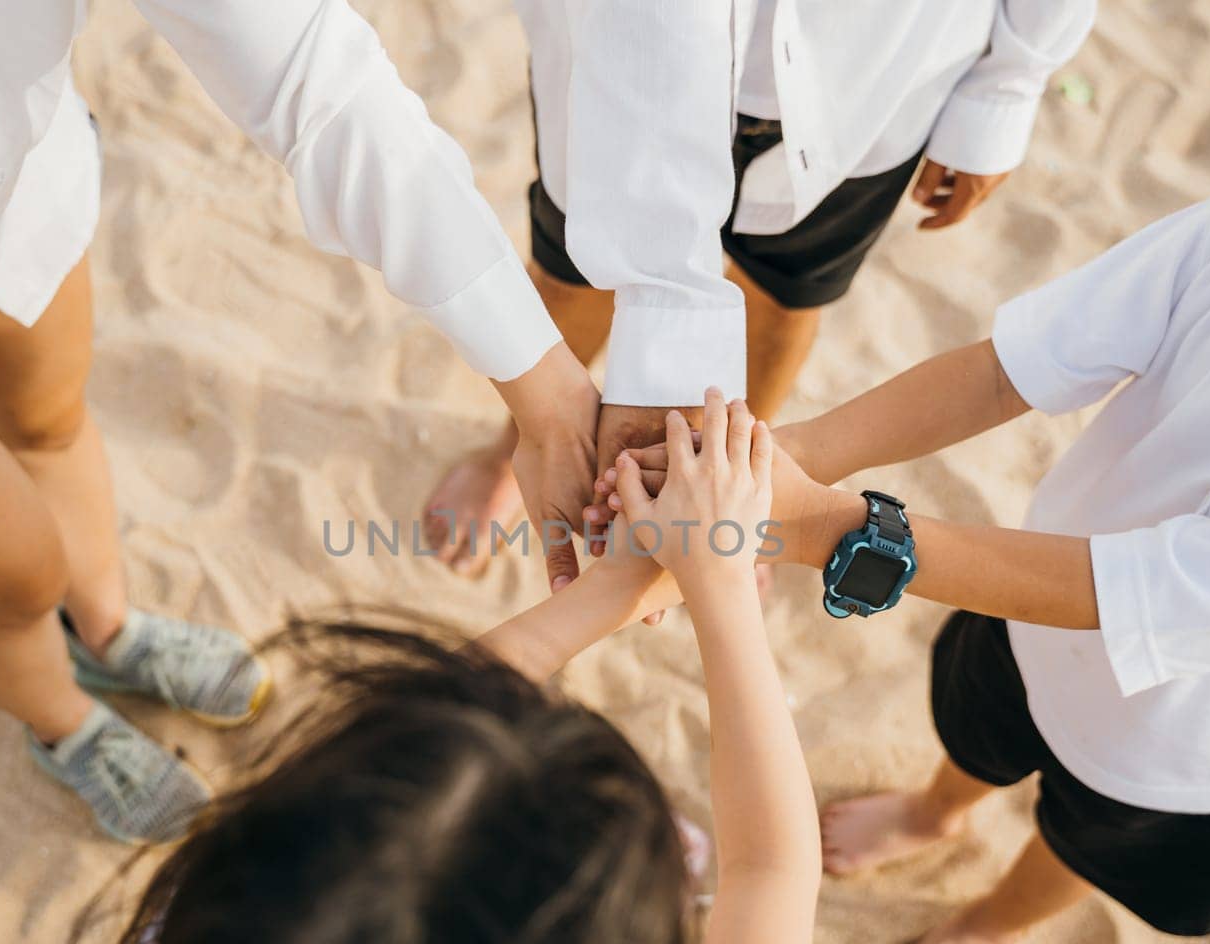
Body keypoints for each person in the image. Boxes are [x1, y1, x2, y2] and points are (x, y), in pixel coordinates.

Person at [606, 29, 1210, 944]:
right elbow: (1005, 371)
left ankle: (991, 924)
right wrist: (786, 462)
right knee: (978, 724)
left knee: (1080, 840)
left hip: (1187, 740)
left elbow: (1107, 592)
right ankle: (938, 808)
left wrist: (808, 523)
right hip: (1011, 599)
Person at [0, 0, 601, 843]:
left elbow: (312, 68)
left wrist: (549, 397)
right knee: (8, 578)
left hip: (7, 185)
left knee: (51, 423)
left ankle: (106, 631)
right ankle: (64, 721)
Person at [113, 393, 822, 944]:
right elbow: (770, 869)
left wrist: (607, 588)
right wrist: (721, 585)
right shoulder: (227, 940)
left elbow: (393, 742)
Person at [425, 0, 1096, 576]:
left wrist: (1009, 82)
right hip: (613, 61)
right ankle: (523, 440)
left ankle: (747, 479)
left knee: (783, 301)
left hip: (876, 80)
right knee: (574, 280)